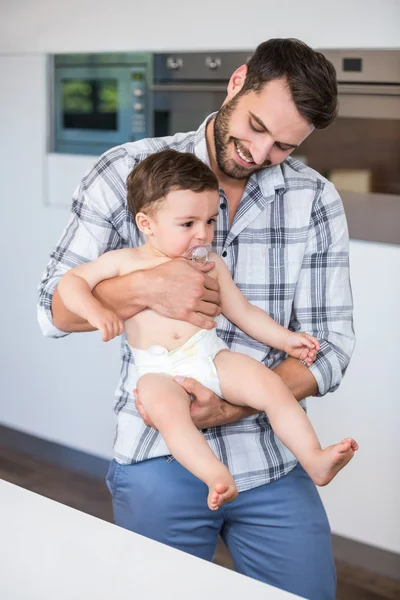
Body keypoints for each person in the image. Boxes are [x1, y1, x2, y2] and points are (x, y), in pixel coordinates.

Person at [38, 38, 355, 599]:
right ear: (237, 83)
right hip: (159, 450)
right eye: (256, 127)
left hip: (272, 457)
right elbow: (53, 308)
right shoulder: (126, 172)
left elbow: (330, 346)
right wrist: (142, 287)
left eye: (284, 145)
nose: (260, 153)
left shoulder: (316, 199)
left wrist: (231, 406)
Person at [57, 149, 357, 511]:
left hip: (210, 355)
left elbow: (243, 312)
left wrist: (287, 340)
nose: (203, 234)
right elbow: (70, 283)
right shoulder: (124, 262)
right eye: (188, 224)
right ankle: (215, 475)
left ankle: (314, 458)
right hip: (158, 370)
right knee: (169, 415)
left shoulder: (209, 262)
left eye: (211, 221)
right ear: (146, 223)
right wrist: (95, 309)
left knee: (271, 386)